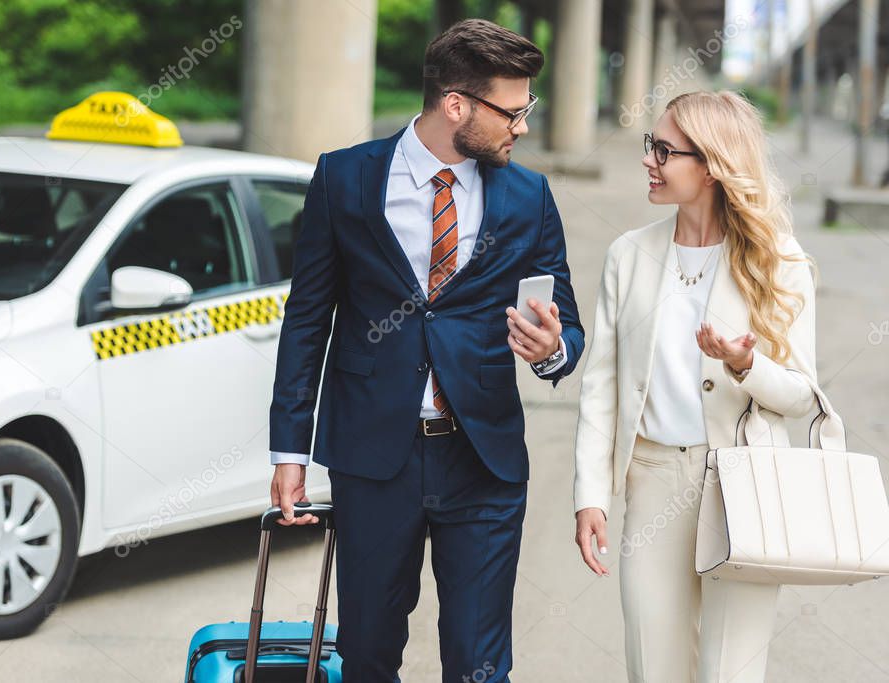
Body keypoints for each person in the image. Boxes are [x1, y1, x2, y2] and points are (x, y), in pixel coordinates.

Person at [268, 18, 584, 682]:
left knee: (478, 661)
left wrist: (552, 348)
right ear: (456, 104)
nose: (522, 127)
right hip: (375, 459)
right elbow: (307, 322)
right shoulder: (344, 179)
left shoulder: (529, 197)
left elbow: (569, 328)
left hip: (484, 461)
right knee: (369, 653)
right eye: (513, 110)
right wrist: (290, 450)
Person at [573, 89, 818, 682]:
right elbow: (601, 386)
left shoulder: (777, 261)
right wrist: (591, 494)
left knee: (730, 670)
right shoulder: (628, 255)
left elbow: (802, 396)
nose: (648, 161)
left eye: (664, 150)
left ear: (710, 166)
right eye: (649, 145)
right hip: (654, 479)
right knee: (653, 665)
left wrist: (744, 366)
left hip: (745, 481)